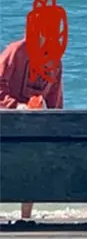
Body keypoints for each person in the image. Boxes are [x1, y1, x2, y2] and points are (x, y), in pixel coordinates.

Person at [0, 36, 64, 220]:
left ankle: (25, 217)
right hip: (5, 119)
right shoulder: (16, 51)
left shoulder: (55, 59)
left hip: (31, 123)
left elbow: (54, 97)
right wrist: (14, 105)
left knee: (32, 156)